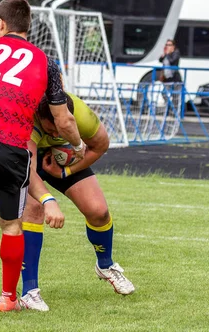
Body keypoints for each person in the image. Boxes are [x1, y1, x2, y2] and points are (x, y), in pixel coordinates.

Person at [0, 0, 85, 319]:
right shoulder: (47, 63)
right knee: (11, 225)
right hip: (14, 146)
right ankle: (8, 297)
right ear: (30, 26)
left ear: (0, 24)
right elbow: (62, 120)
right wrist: (77, 145)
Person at [20, 93, 135, 311]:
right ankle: (29, 292)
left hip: (60, 161)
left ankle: (106, 265)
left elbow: (100, 145)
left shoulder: (81, 114)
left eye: (59, 130)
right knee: (33, 208)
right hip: (27, 162)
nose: (53, 134)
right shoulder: (28, 116)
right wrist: (48, 200)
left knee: (98, 211)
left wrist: (66, 172)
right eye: (49, 129)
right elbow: (27, 170)